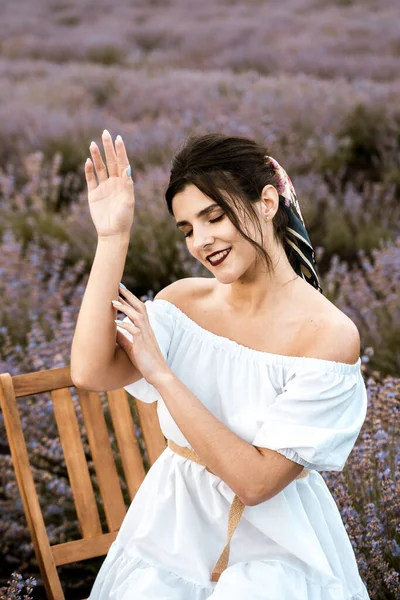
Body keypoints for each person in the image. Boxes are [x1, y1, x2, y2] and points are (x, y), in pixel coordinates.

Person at [71, 130, 370, 599]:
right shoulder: (183, 302)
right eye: (188, 228)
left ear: (267, 202)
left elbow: (254, 484)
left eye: (215, 216)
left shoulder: (328, 337)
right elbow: (89, 373)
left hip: (276, 546)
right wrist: (112, 236)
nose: (202, 241)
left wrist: (163, 377)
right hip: (171, 530)